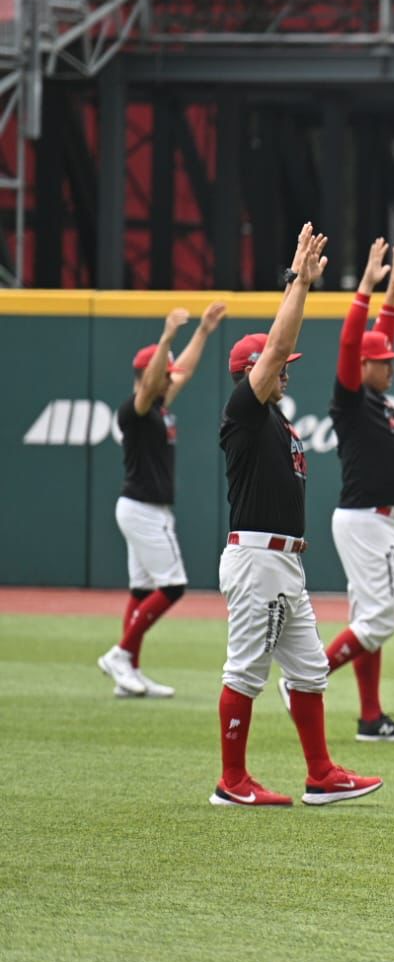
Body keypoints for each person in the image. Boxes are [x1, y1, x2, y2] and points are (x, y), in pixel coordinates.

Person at [212, 223, 382, 808]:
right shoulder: (244, 409)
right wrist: (298, 284)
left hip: (285, 565)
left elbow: (281, 354)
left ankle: (321, 774)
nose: (287, 370)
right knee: (245, 671)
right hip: (257, 558)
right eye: (277, 366)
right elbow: (278, 349)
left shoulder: (275, 420)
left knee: (310, 670)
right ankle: (231, 782)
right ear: (252, 371)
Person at [302, 237, 394, 743]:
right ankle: (305, 683)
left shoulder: (378, 398)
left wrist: (392, 295)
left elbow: (376, 341)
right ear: (365, 369)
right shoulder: (351, 400)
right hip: (367, 519)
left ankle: (371, 718)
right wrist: (365, 292)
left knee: (367, 619)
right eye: (385, 361)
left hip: (379, 521)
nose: (391, 365)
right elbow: (355, 345)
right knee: (377, 622)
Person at [98, 300, 226, 699]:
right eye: (162, 374)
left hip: (144, 508)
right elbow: (154, 381)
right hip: (144, 509)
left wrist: (202, 331)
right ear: (146, 376)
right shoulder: (135, 409)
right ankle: (121, 654)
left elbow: (181, 370)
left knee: (140, 591)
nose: (170, 380)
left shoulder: (158, 407)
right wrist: (167, 335)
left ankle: (128, 672)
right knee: (172, 586)